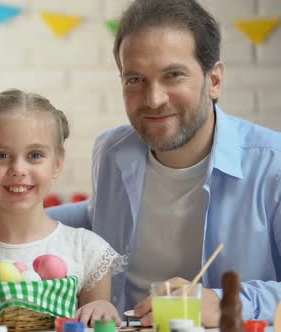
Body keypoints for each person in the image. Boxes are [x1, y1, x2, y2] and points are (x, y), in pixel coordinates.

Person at [46, 0, 281, 327]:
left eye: (173, 75)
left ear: (214, 80)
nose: (154, 99)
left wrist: (224, 302)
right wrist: (12, 215)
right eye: (135, 80)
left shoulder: (273, 165)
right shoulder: (111, 150)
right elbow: (97, 216)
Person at [0, 89, 127, 326]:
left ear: (57, 163)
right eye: (2, 155)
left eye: (35, 155)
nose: (18, 168)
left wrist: (101, 307)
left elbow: (95, 323)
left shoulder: (88, 251)